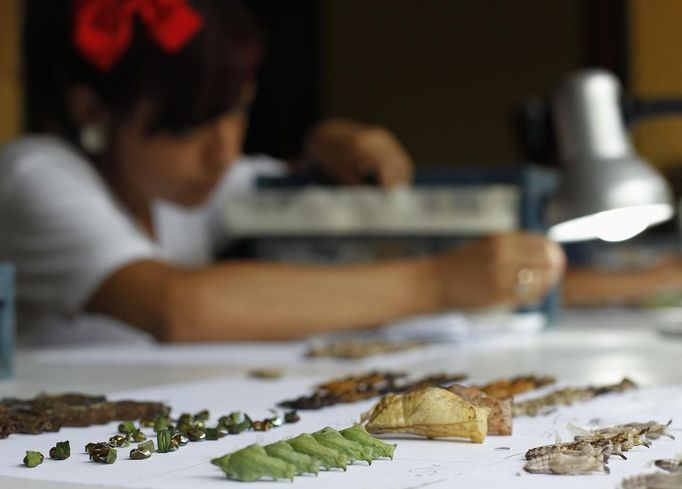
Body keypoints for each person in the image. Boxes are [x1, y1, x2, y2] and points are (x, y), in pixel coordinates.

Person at [0, 0, 565, 343]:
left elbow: (285, 187)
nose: (223, 151)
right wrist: (436, 283)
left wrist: (323, 144)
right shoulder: (34, 177)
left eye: (238, 111)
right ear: (91, 109)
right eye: (188, 125)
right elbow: (178, 308)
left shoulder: (186, 184)